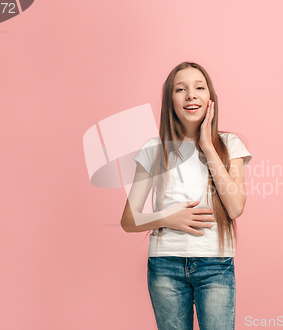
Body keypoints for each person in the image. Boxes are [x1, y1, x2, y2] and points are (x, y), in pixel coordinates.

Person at [120, 61, 252, 330]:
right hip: (165, 266)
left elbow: (236, 207)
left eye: (199, 87)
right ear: (170, 100)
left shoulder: (229, 145)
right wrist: (169, 218)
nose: (191, 94)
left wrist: (207, 146)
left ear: (210, 98)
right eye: (181, 89)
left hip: (215, 265)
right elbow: (128, 220)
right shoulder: (154, 149)